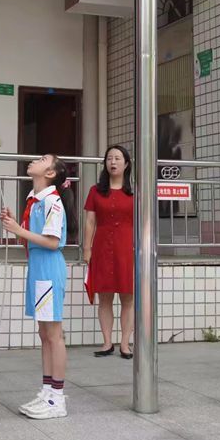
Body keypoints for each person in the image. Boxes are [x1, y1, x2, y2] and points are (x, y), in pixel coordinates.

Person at [0, 154, 70, 420]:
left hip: (49, 269)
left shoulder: (52, 202)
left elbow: (52, 242)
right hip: (38, 268)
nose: (35, 160)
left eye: (42, 159)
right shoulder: (35, 199)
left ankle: (57, 398)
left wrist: (18, 229)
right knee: (44, 333)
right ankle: (47, 390)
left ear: (50, 173)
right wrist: (15, 223)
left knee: (54, 334)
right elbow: (34, 236)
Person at [83, 145, 135, 359]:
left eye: (117, 158)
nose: (113, 162)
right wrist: (87, 248)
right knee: (104, 297)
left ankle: (125, 344)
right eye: (109, 158)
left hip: (127, 248)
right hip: (102, 247)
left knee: (128, 298)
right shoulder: (95, 191)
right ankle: (107, 343)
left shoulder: (135, 191)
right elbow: (90, 221)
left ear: (126, 164)